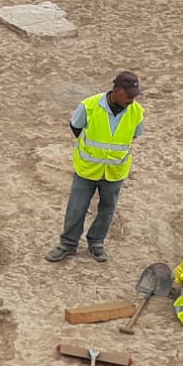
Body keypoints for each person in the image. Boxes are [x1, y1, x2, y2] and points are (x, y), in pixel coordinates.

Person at [46, 71, 144, 264]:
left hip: (115, 172)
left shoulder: (137, 112)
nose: (132, 100)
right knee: (77, 208)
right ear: (116, 90)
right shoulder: (89, 106)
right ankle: (67, 244)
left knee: (107, 210)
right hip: (87, 169)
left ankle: (96, 243)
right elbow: (76, 127)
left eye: (134, 96)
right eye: (128, 95)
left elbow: (134, 136)